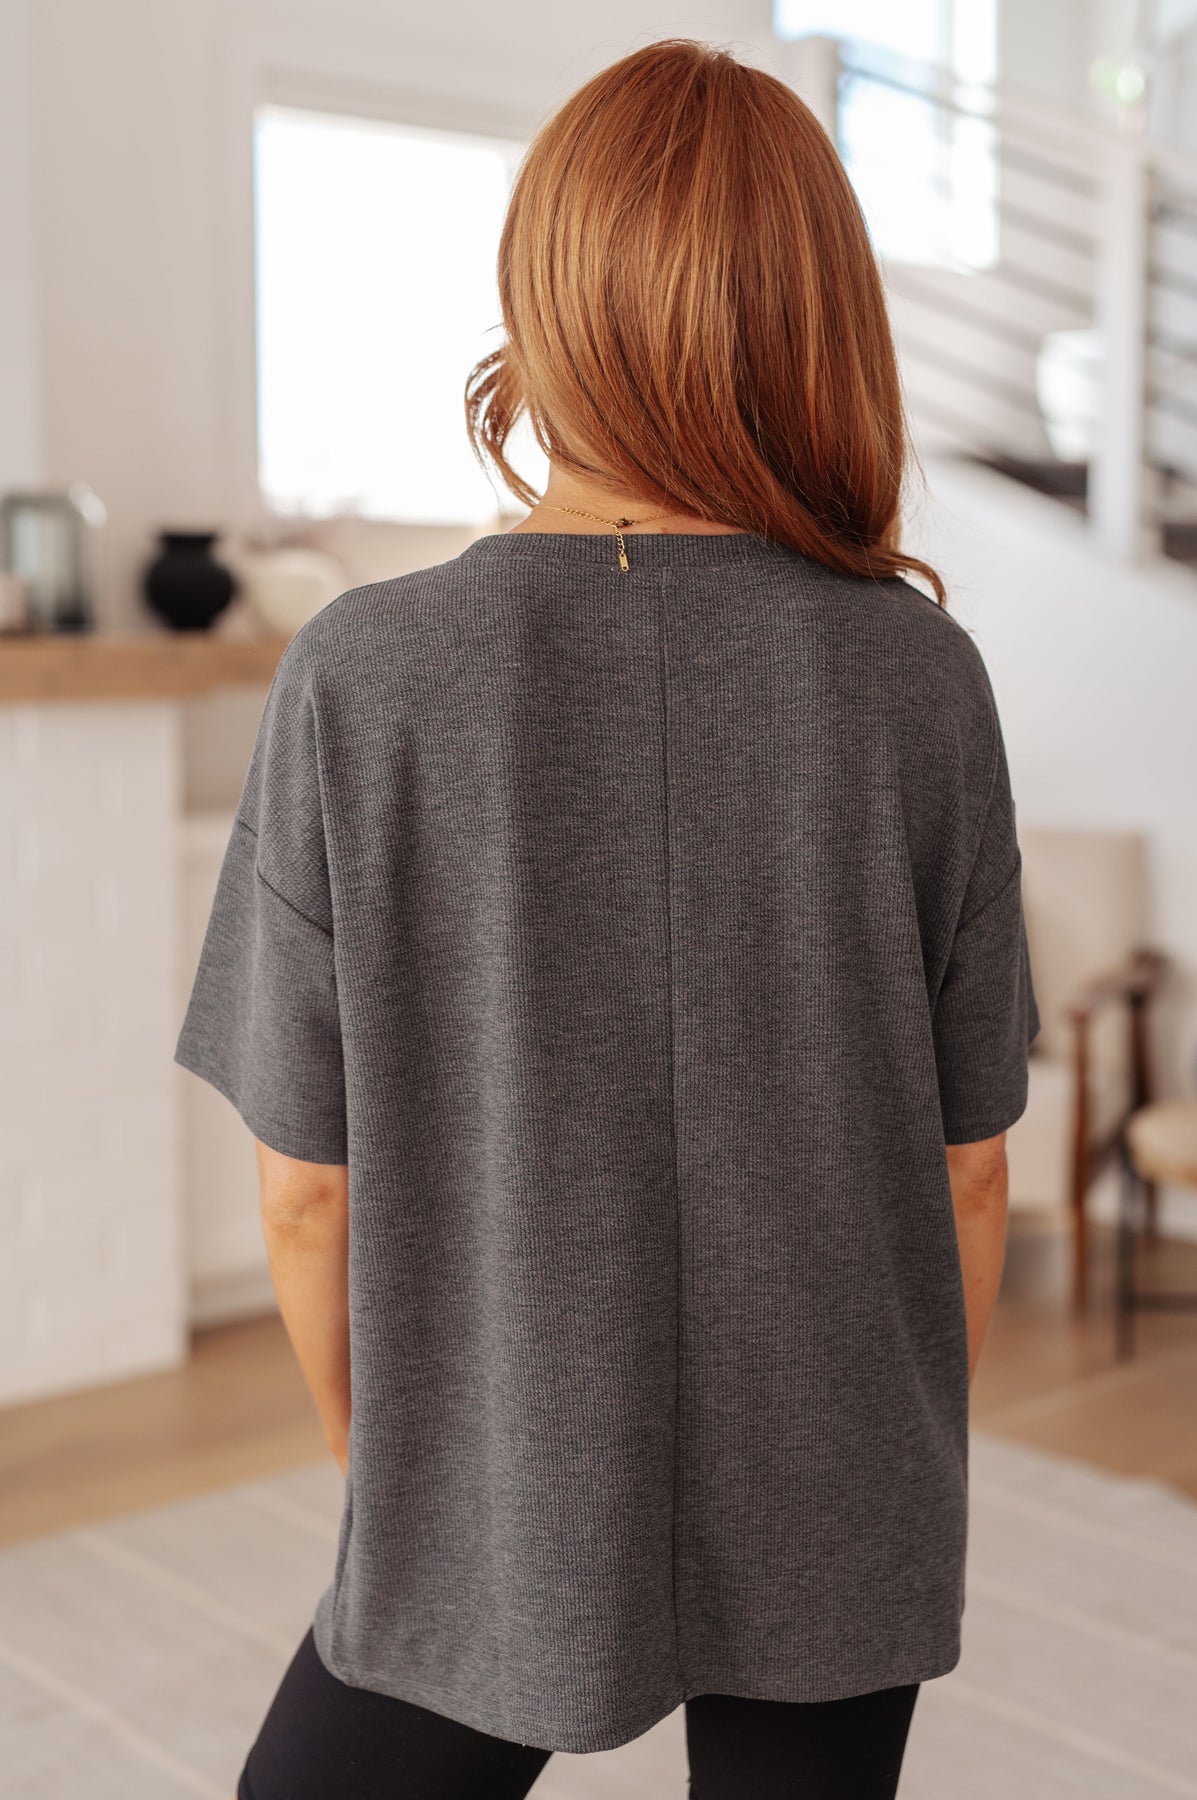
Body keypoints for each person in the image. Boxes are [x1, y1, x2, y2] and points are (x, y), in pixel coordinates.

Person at [174, 36, 1039, 1800]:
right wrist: (900, 1469)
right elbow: (967, 1169)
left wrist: (396, 1486)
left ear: (545, 298)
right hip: (839, 1472)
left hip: (492, 1474)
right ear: (818, 319)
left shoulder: (361, 674)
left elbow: (304, 1191)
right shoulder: (917, 682)